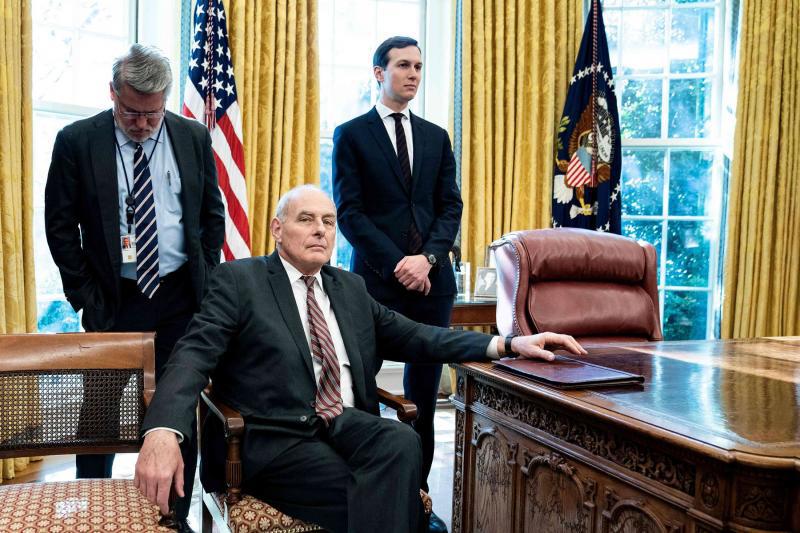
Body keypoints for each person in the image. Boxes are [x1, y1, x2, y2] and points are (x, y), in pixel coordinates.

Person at [133, 185, 586, 533]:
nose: (320, 230)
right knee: (392, 493)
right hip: (275, 438)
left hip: (347, 422)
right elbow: (193, 355)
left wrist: (505, 344)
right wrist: (161, 428)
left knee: (403, 444)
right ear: (277, 229)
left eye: (328, 221)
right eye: (306, 219)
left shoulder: (349, 287)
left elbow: (416, 337)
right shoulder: (240, 281)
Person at [44, 43, 225, 532]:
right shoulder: (77, 141)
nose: (143, 124)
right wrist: (88, 296)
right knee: (98, 414)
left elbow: (212, 216)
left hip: (180, 298)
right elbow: (60, 228)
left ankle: (173, 515)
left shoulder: (191, 136)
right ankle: (90, 508)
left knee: (178, 409)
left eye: (152, 113)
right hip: (115, 298)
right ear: (112, 94)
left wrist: (205, 279)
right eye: (131, 112)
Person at [332, 36, 461, 532]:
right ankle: (363, 494)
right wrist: (397, 264)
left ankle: (416, 503)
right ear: (378, 73)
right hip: (373, 284)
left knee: (424, 400)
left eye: (419, 67)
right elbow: (350, 214)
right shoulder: (352, 134)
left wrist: (427, 259)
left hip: (433, 283)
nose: (413, 74)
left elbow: (450, 207)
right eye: (403, 65)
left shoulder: (436, 137)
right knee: (360, 394)